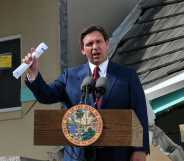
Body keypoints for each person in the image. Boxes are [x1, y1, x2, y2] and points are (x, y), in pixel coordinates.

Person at [24, 25, 149, 161]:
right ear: (83, 50)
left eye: (98, 42)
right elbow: (46, 95)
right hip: (78, 156)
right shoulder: (69, 77)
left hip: (116, 154)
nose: (95, 47)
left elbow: (140, 113)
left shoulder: (127, 76)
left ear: (107, 44)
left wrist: (140, 150)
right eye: (89, 44)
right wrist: (34, 74)